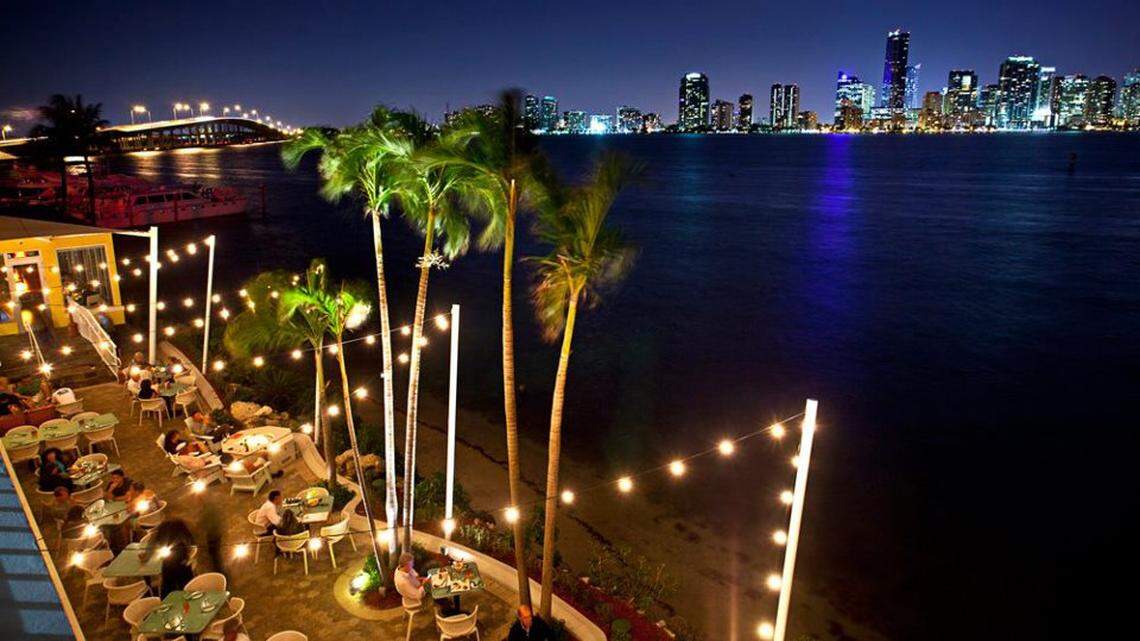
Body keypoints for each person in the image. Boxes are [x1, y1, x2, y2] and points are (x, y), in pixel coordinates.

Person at [150, 519, 195, 596]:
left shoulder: (177, 525)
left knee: (181, 588)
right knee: (181, 588)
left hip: (179, 564)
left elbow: (190, 542)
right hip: (173, 564)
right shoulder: (174, 526)